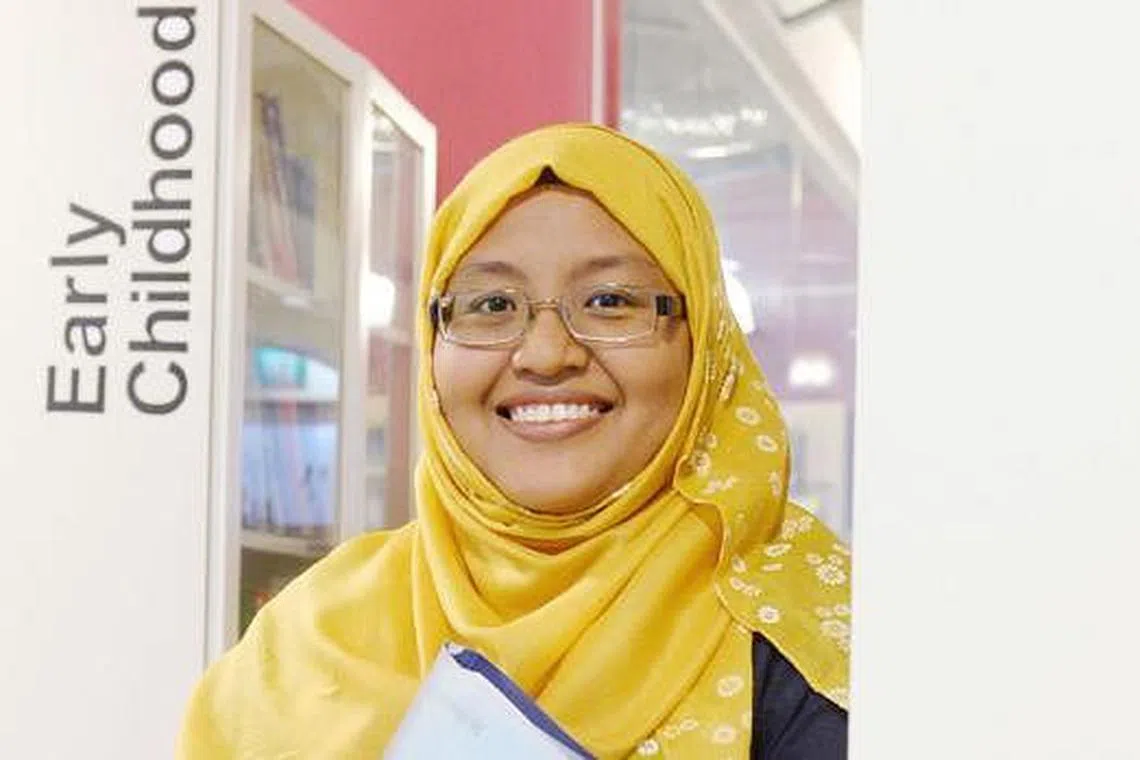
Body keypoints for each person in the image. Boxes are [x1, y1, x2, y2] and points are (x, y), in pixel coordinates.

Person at [178, 123, 851, 759]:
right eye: (492, 305)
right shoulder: (312, 633)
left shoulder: (811, 636)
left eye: (610, 301)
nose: (547, 353)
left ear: (703, 343)